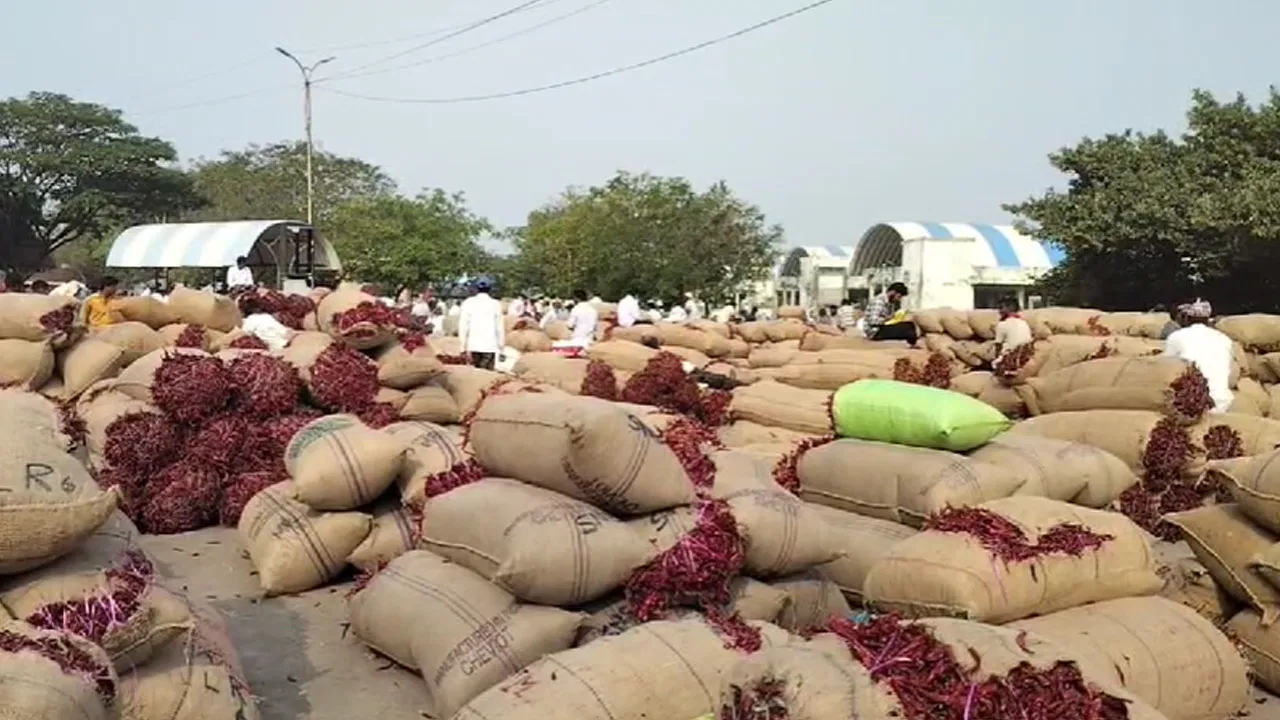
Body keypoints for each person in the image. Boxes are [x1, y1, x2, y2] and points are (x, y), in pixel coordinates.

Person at [1163, 299, 1234, 413]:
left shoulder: (1176, 337)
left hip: (1192, 401)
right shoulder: (1225, 339)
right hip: (1223, 401)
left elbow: (1166, 369)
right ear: (1208, 320)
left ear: (1186, 318)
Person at [457, 279, 504, 370]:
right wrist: (501, 347)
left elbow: (463, 326)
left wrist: (462, 347)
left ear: (476, 289)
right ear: (490, 289)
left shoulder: (468, 303)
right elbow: (499, 328)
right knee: (487, 375)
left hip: (474, 345)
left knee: (476, 374)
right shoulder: (495, 304)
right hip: (490, 345)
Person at [993, 297, 1034, 361]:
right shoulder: (1024, 323)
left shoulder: (1002, 324)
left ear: (1009, 308)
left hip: (1009, 360)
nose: (999, 311)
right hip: (1024, 359)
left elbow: (998, 346)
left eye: (1001, 308)